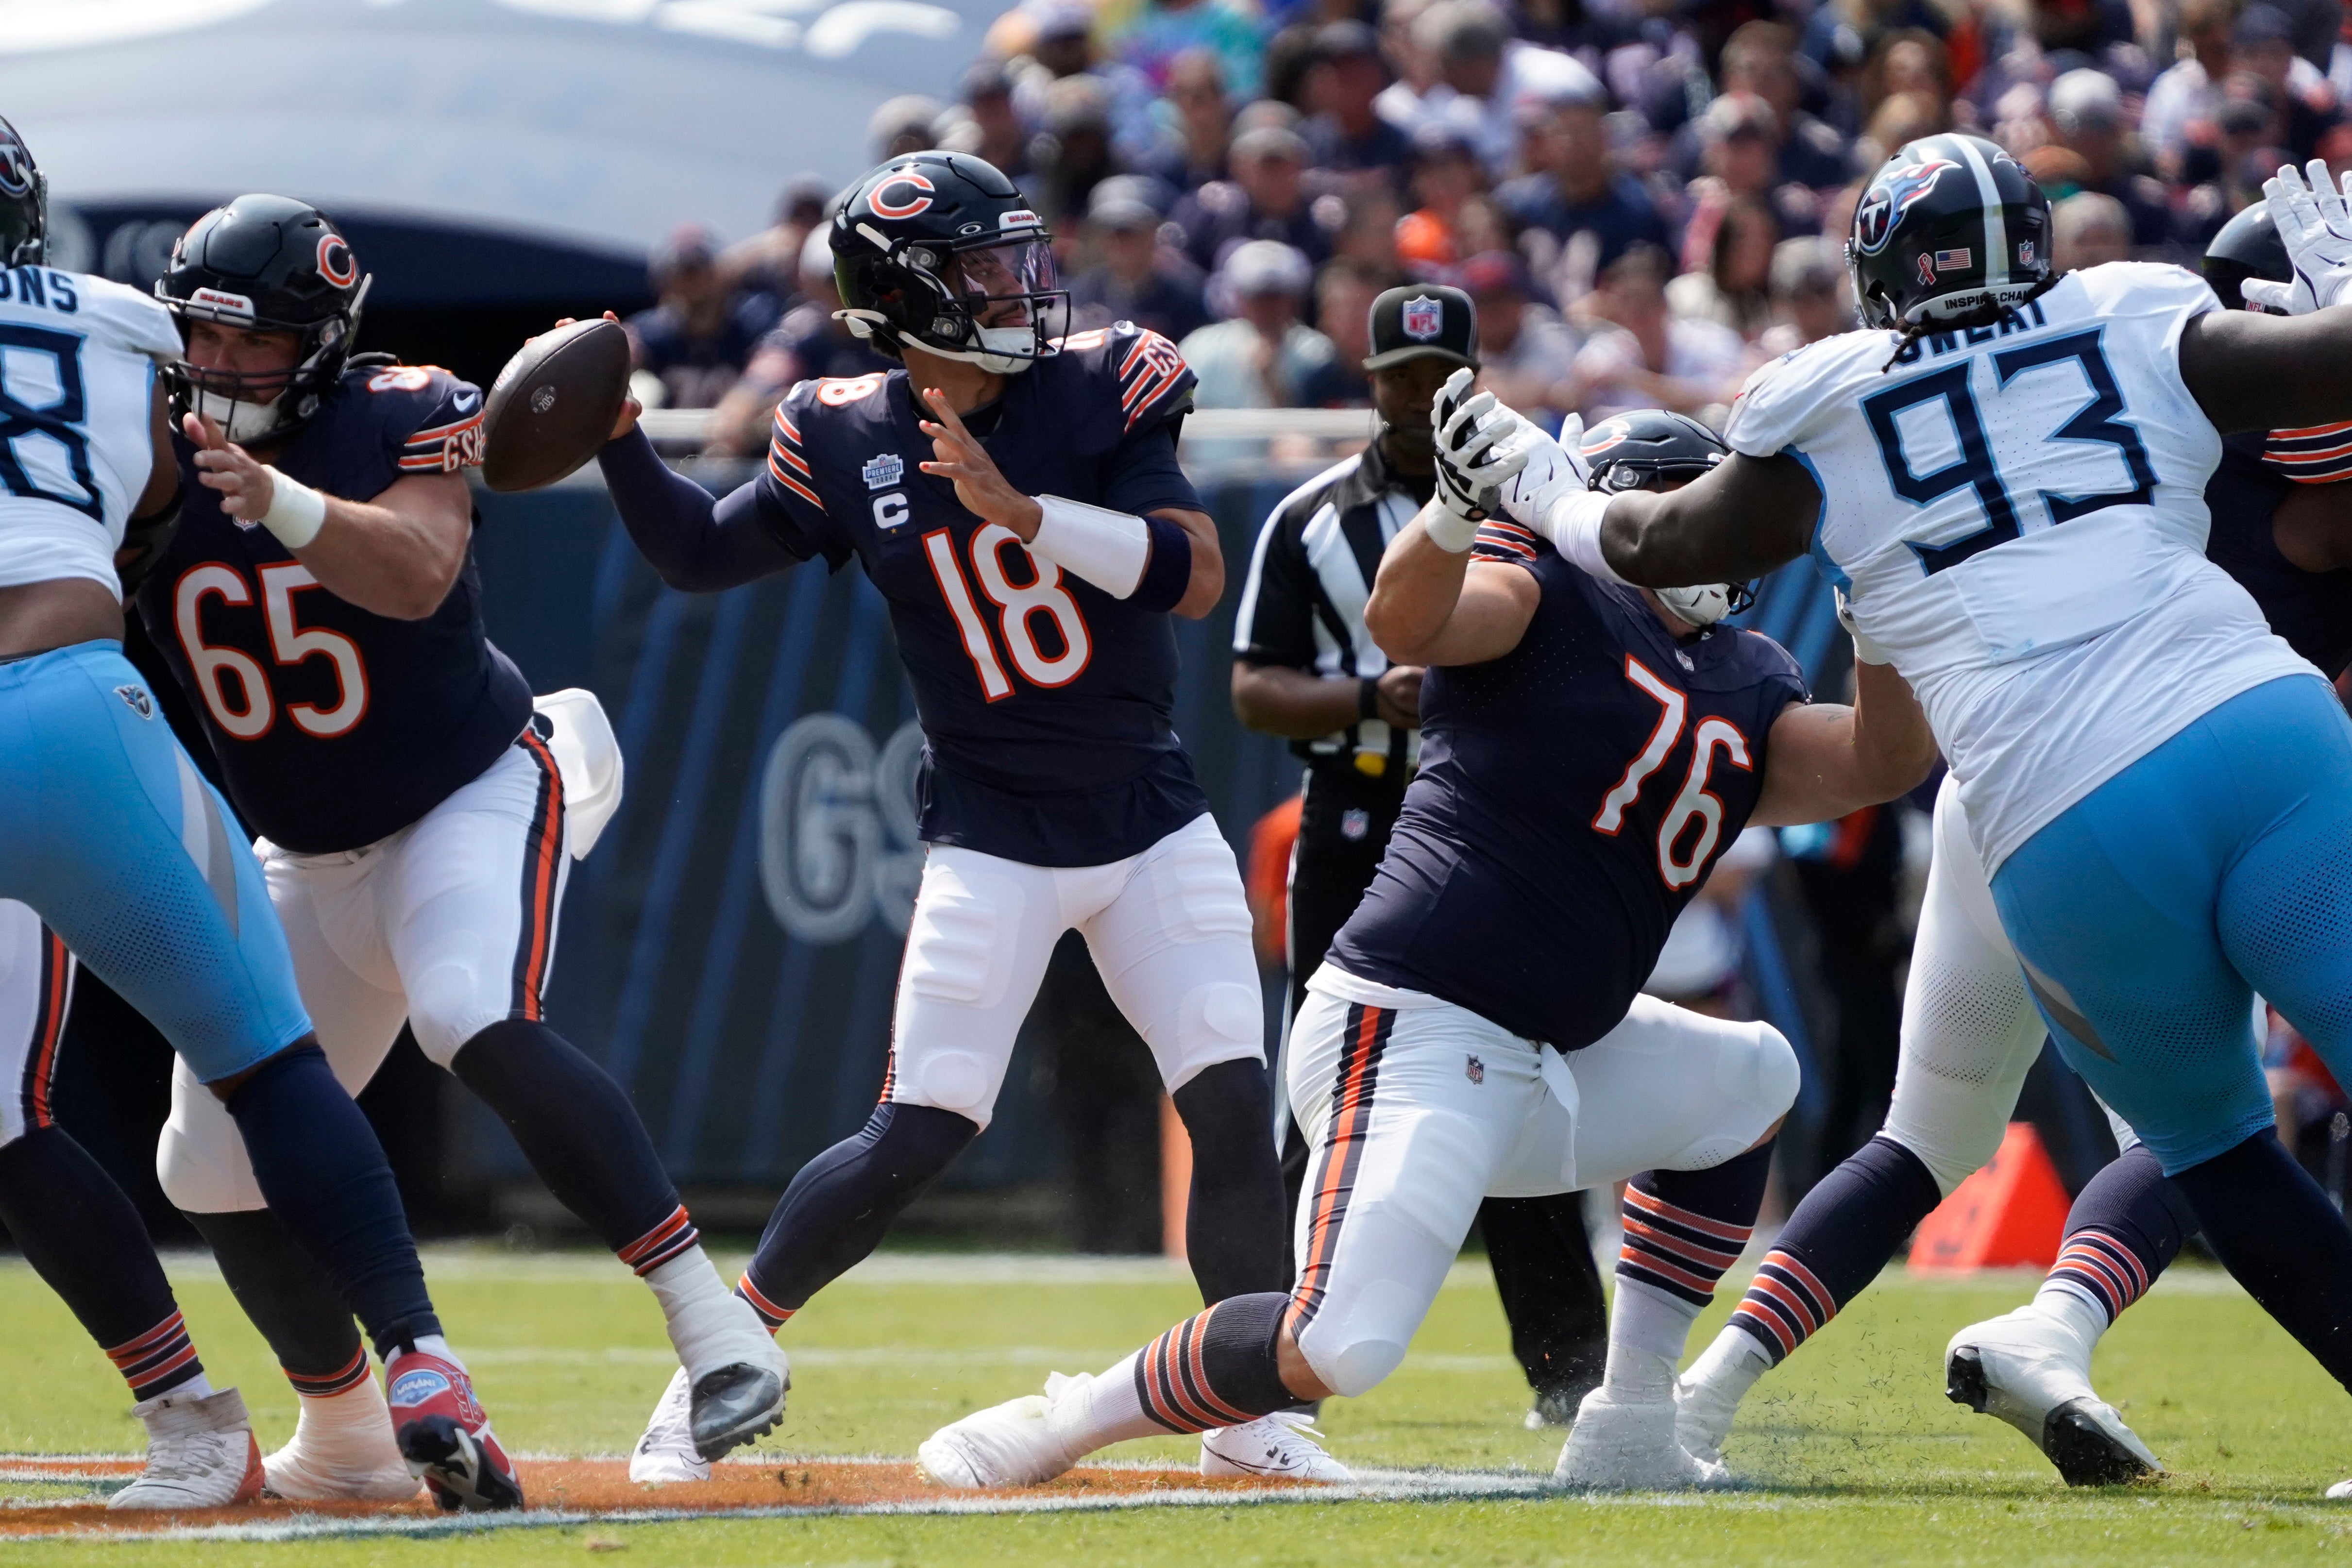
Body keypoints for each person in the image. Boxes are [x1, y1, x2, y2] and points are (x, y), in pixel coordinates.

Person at [1498, 134, 2352, 1491]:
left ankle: (1722, 1389)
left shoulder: (1825, 408)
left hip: (2053, 817)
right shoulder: (2127, 309)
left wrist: (1548, 495)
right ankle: (2046, 1326)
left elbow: (1661, 543)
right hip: (2255, 724)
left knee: (2209, 1143)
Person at [915, 380, 1935, 1491]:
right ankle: (1060, 1419)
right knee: (1338, 1341)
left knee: (1748, 1081)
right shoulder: (1546, 594)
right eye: (1701, 508)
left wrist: (1880, 606)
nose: (1725, 538)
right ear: (1628, 505)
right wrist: (1449, 510)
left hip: (1555, 1053)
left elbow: (1879, 762)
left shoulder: (1747, 677)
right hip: (1410, 1029)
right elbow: (1405, 622)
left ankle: (1633, 1418)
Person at [588, 151, 1309, 1482]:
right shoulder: (842, 428)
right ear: (906, 291)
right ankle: (711, 1368)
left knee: (1231, 1104)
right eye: (985, 267)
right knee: (925, 1120)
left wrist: (1025, 511)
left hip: (1148, 812)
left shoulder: (1107, 380)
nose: (1025, 285)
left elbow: (1193, 577)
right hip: (994, 830)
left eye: (1023, 257)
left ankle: (1250, 1421)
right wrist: (619, 437)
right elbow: (696, 553)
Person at [131, 194, 783, 1502]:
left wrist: (283, 502)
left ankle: (717, 1331)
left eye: (248, 344)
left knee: (467, 1010)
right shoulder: (148, 448)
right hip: (306, 845)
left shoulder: (398, 410)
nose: (215, 368)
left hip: (467, 787)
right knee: (201, 1157)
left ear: (317, 343)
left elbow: (420, 570)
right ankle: (351, 1433)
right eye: (199, 337)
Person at [0, 119, 514, 1515]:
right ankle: (417, 1359)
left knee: (6, 1115)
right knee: (265, 1060)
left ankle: (185, 1410)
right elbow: (163, 506)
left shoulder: (162, 338)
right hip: (63, 700)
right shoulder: (121, 330)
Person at [1230, 285, 1612, 1424]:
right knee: (1323, 1083)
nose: (1411, 399)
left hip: (1497, 823)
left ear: (1473, 375)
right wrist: (1366, 693)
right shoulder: (1307, 517)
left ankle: (1569, 1370)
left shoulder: (1540, 502)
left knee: (1522, 1073)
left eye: (1434, 375)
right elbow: (1252, 685)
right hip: (1356, 812)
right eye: (1394, 379)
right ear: (1364, 382)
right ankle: (1275, 1361)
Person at [623, 225, 779, 411]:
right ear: (665, 281)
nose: (695, 282)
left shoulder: (753, 322)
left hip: (736, 433)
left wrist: (751, 395)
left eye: (701, 269)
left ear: (721, 274)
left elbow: (781, 362)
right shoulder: (650, 331)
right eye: (684, 272)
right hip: (668, 436)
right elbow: (621, 354)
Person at [1179, 240, 1338, 409]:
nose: (1266, 307)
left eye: (1276, 296)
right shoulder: (1202, 346)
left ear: (1295, 300)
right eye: (1257, 296)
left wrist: (1271, 379)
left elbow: (1313, 422)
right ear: (1239, 297)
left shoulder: (1317, 352)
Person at [1066, 176, 1211, 342]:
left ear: (1154, 231)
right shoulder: (1083, 294)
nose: (1120, 241)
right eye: (1110, 231)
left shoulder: (1186, 297)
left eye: (1129, 231)